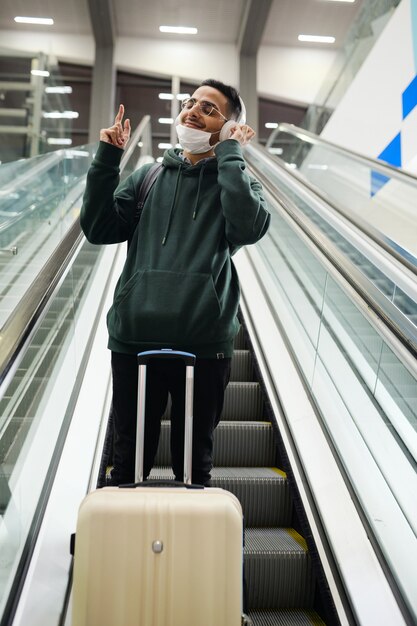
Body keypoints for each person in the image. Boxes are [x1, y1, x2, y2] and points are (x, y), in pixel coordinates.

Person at [80, 78, 270, 486]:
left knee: (193, 467)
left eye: (208, 109)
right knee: (127, 463)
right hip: (135, 338)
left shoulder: (237, 181)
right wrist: (108, 159)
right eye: (191, 103)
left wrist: (231, 156)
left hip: (204, 345)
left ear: (229, 127)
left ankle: (192, 545)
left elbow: (249, 227)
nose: (193, 111)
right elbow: (98, 228)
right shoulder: (148, 177)